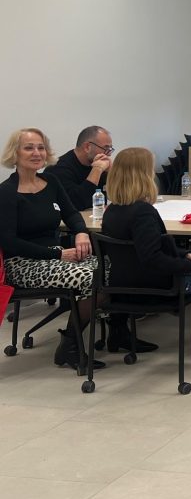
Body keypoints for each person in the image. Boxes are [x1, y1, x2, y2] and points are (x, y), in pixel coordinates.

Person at [101, 148, 191, 363]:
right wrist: (190, 267)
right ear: (143, 175)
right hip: (161, 288)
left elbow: (149, 247)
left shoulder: (111, 211)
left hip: (122, 288)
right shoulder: (143, 212)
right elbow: (153, 257)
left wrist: (187, 255)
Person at [0, 128, 99, 370]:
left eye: (41, 147)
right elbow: (9, 242)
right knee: (92, 276)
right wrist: (58, 254)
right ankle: (71, 347)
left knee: (110, 268)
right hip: (21, 263)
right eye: (29, 147)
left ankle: (74, 341)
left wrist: (81, 232)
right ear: (15, 153)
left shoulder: (51, 181)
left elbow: (72, 213)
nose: (37, 153)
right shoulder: (6, 192)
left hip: (56, 256)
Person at [42, 125, 112, 211]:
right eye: (105, 148)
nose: (108, 154)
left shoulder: (101, 165)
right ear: (87, 147)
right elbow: (75, 204)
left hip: (96, 221)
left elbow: (117, 198)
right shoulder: (58, 168)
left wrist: (111, 174)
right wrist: (96, 170)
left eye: (110, 149)